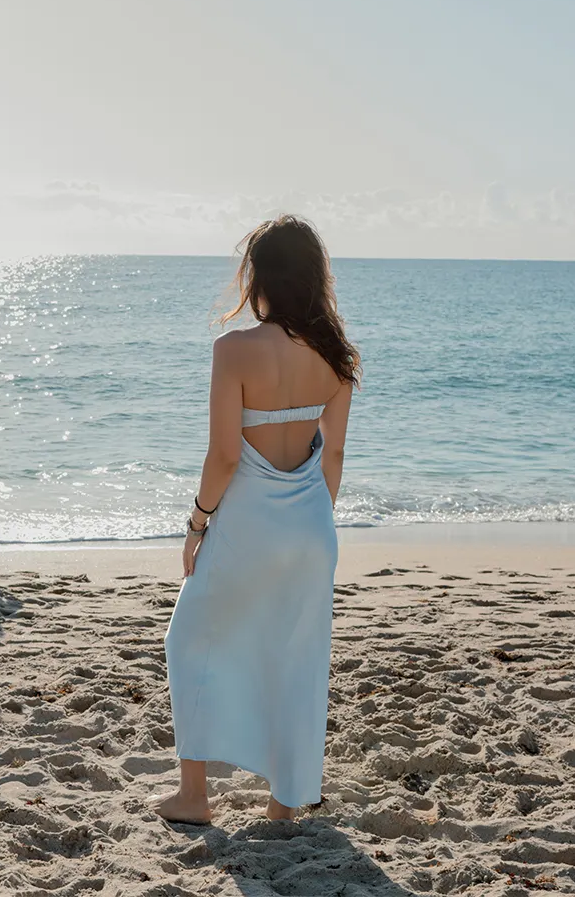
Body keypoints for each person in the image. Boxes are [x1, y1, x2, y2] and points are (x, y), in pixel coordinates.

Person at [158, 215, 360, 826]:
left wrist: (196, 526)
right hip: (311, 528)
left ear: (260, 277)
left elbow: (224, 456)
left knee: (189, 639)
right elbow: (335, 455)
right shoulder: (337, 358)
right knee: (296, 657)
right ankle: (284, 804)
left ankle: (195, 796)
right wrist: (309, 525)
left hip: (246, 528)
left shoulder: (235, 350)